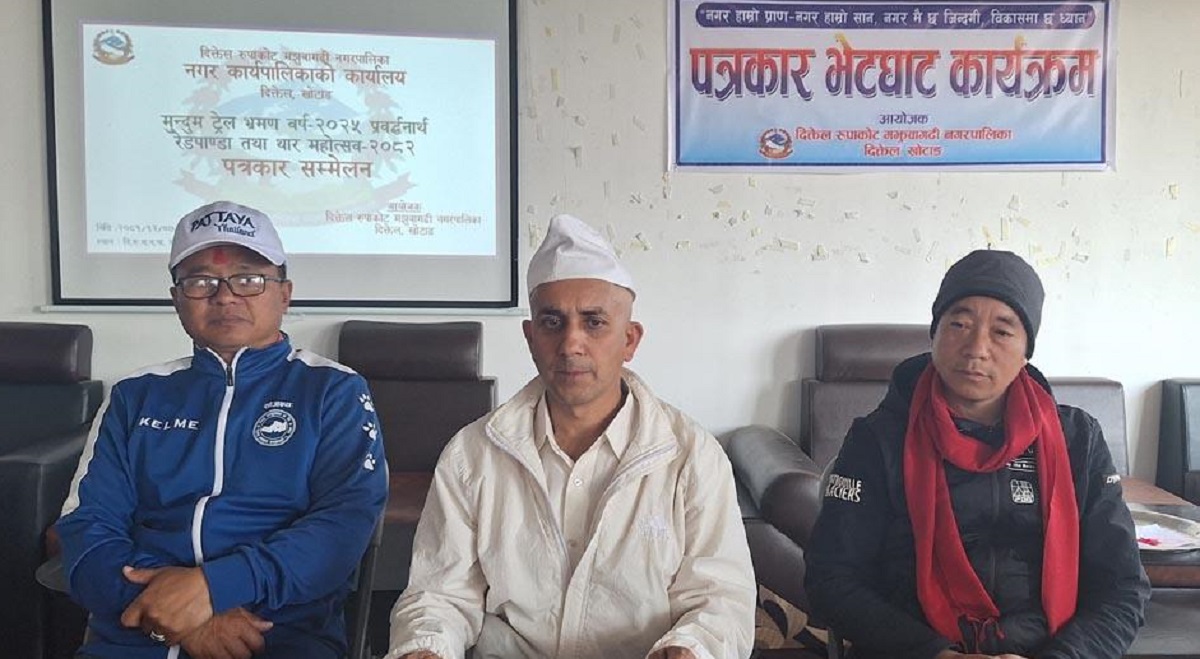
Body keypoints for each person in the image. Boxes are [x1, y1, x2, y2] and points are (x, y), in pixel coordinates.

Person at [387, 214, 756, 659]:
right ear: (530, 336)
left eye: (594, 322)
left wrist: (689, 648)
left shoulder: (690, 456)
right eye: (552, 322)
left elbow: (720, 598)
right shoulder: (473, 455)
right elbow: (439, 594)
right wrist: (425, 647)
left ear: (630, 339)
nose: (570, 344)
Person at [57, 200, 388, 659]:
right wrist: (175, 615)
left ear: (285, 293)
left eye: (249, 279)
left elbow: (342, 528)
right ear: (176, 299)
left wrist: (215, 587)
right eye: (201, 281)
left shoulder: (333, 390)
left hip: (275, 635)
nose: (225, 296)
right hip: (136, 633)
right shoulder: (136, 395)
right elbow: (86, 527)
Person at [805, 250, 1150, 659]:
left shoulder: (1078, 440)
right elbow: (831, 579)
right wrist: (936, 654)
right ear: (934, 334)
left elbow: (1122, 588)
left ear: (1026, 350)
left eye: (1002, 332)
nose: (976, 349)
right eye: (959, 324)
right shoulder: (878, 438)